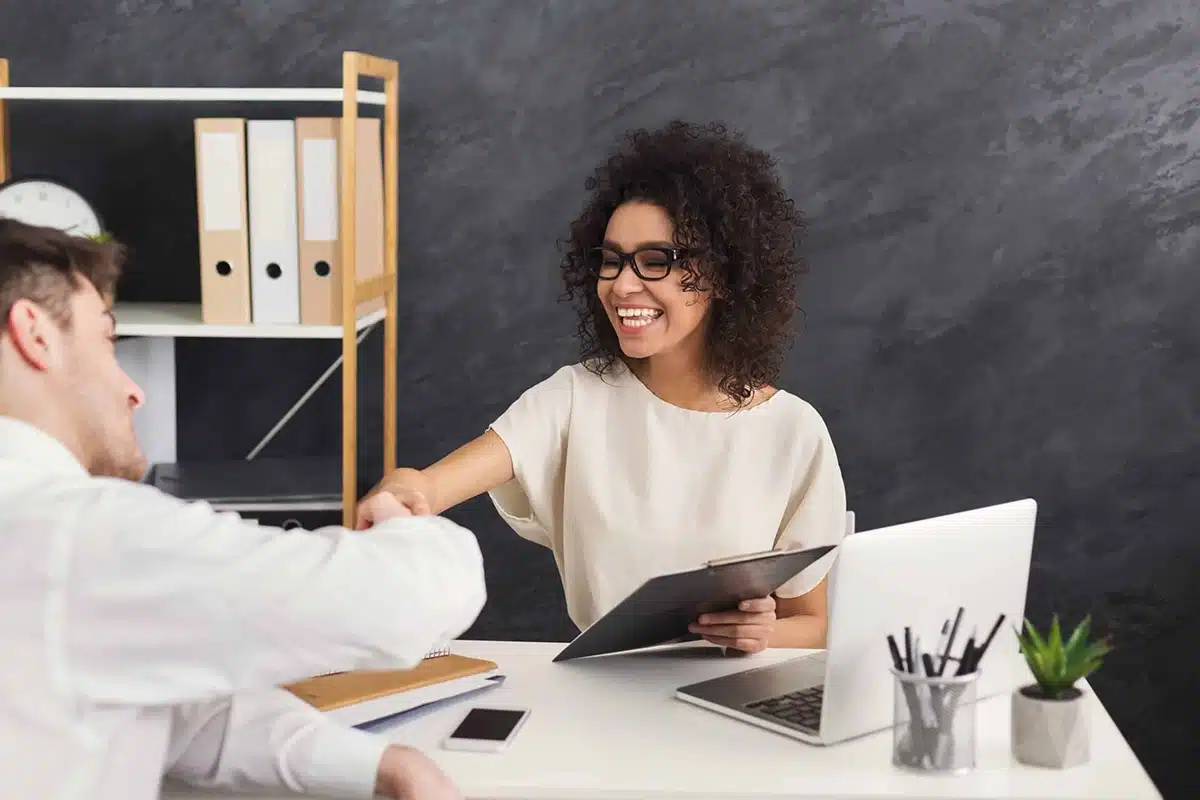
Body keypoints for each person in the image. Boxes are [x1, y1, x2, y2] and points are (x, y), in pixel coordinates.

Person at [0, 217, 486, 799]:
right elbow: (406, 600)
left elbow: (175, 715)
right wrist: (401, 519)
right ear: (35, 333)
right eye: (107, 339)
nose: (133, 389)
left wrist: (383, 764)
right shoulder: (70, 536)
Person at [359, 120, 848, 655]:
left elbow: (816, 625)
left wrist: (762, 633)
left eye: (656, 261)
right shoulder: (576, 398)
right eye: (611, 260)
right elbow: (433, 486)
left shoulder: (793, 432)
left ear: (724, 275)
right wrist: (407, 490)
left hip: (730, 694)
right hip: (602, 691)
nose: (621, 284)